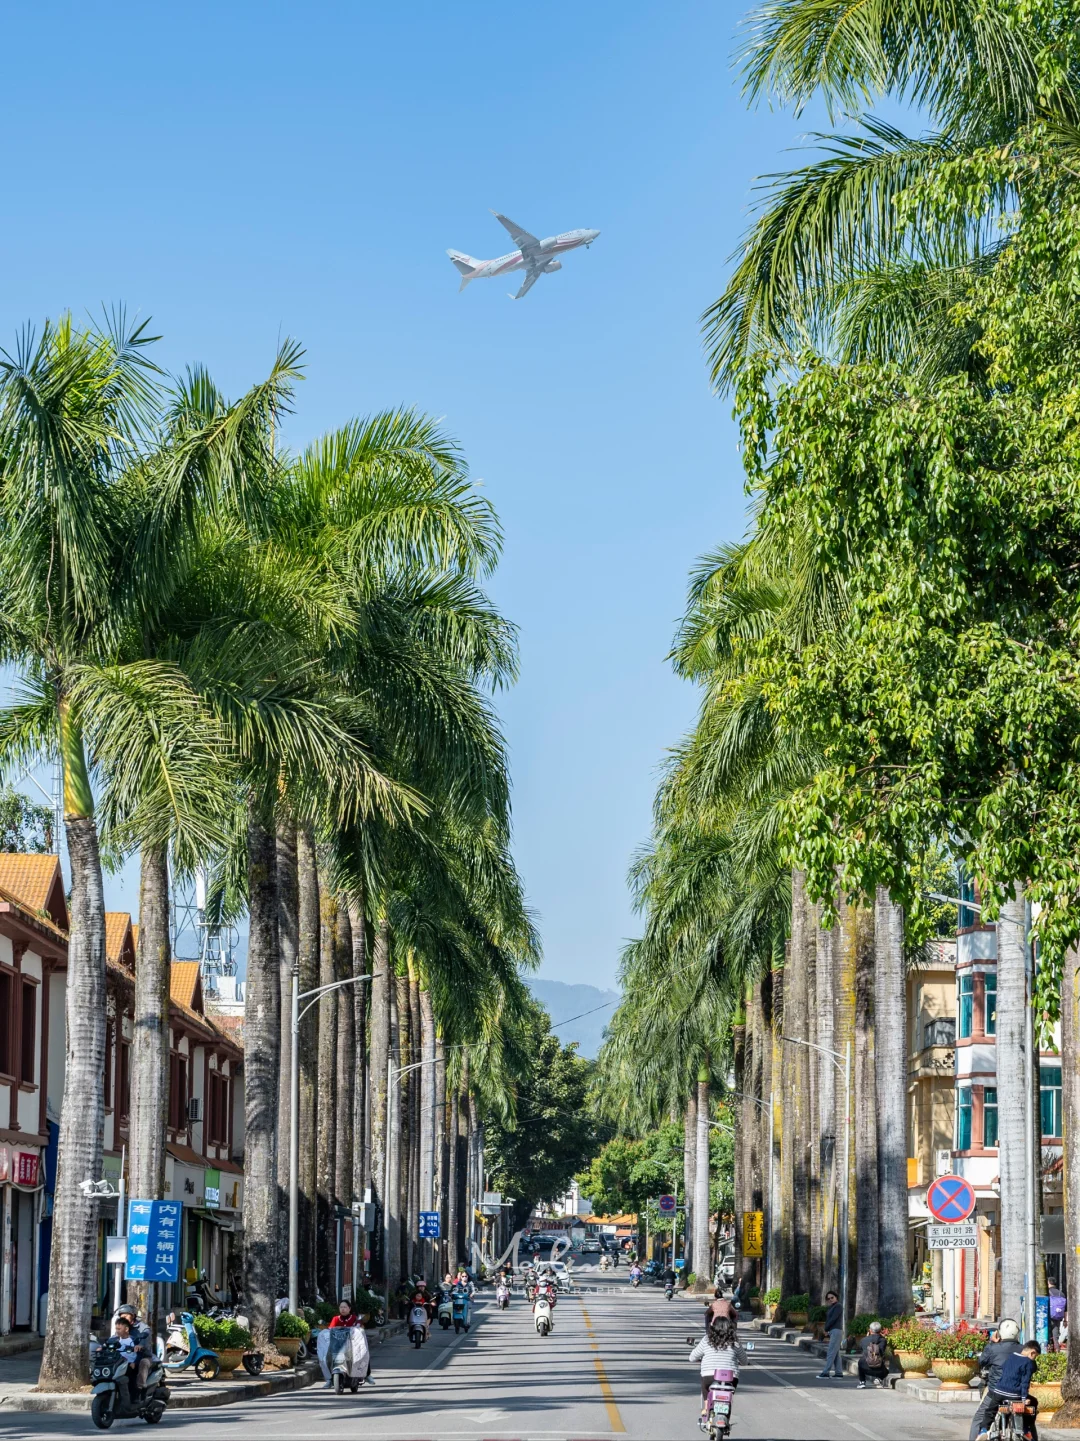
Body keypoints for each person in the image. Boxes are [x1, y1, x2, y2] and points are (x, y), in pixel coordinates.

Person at [689, 1315, 747, 1429]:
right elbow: (744, 1361)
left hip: (709, 1376)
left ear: (713, 1327)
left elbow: (692, 1357)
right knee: (728, 1396)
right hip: (731, 1378)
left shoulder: (707, 1339)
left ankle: (706, 1408)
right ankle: (726, 1419)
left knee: (705, 1386)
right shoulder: (734, 1342)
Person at [970, 1319, 1023, 1441]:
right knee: (1029, 1420)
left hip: (995, 1392)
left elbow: (982, 1361)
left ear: (999, 1333)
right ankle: (1029, 1433)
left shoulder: (993, 1348)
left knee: (978, 1418)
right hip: (1018, 1394)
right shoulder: (1023, 1349)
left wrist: (992, 1343)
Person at [976, 1341, 1040, 1441]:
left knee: (990, 1411)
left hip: (998, 1391)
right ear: (1032, 1352)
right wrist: (1024, 1399)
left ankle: (983, 1430)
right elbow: (1025, 1382)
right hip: (1014, 1395)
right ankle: (1027, 1430)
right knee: (1032, 1404)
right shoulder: (1028, 1363)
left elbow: (1004, 1368)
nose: (1034, 1359)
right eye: (1035, 1356)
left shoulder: (1011, 1356)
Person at [114, 1303, 153, 1400]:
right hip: (126, 1356)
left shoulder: (143, 1328)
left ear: (133, 1316)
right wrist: (104, 1346)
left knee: (143, 1363)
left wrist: (141, 1345)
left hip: (143, 1356)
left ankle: (139, 1390)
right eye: (121, 1316)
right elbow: (114, 1338)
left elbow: (146, 1337)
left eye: (126, 1315)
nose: (124, 1318)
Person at [816, 1291, 844, 1379]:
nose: (830, 1299)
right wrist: (827, 1330)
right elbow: (829, 1320)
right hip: (833, 1331)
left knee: (831, 1352)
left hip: (836, 1330)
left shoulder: (838, 1306)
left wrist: (826, 1329)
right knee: (835, 1353)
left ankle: (825, 1372)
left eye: (832, 1297)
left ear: (836, 1297)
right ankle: (839, 1373)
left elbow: (833, 1319)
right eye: (828, 1298)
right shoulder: (832, 1307)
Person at [856, 1321, 891, 1388]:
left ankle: (862, 1382)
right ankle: (879, 1379)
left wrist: (867, 1337)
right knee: (886, 1370)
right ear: (880, 1330)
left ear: (870, 1330)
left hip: (865, 1368)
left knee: (861, 1361)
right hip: (879, 1369)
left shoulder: (863, 1340)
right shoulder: (883, 1340)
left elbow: (862, 1349)